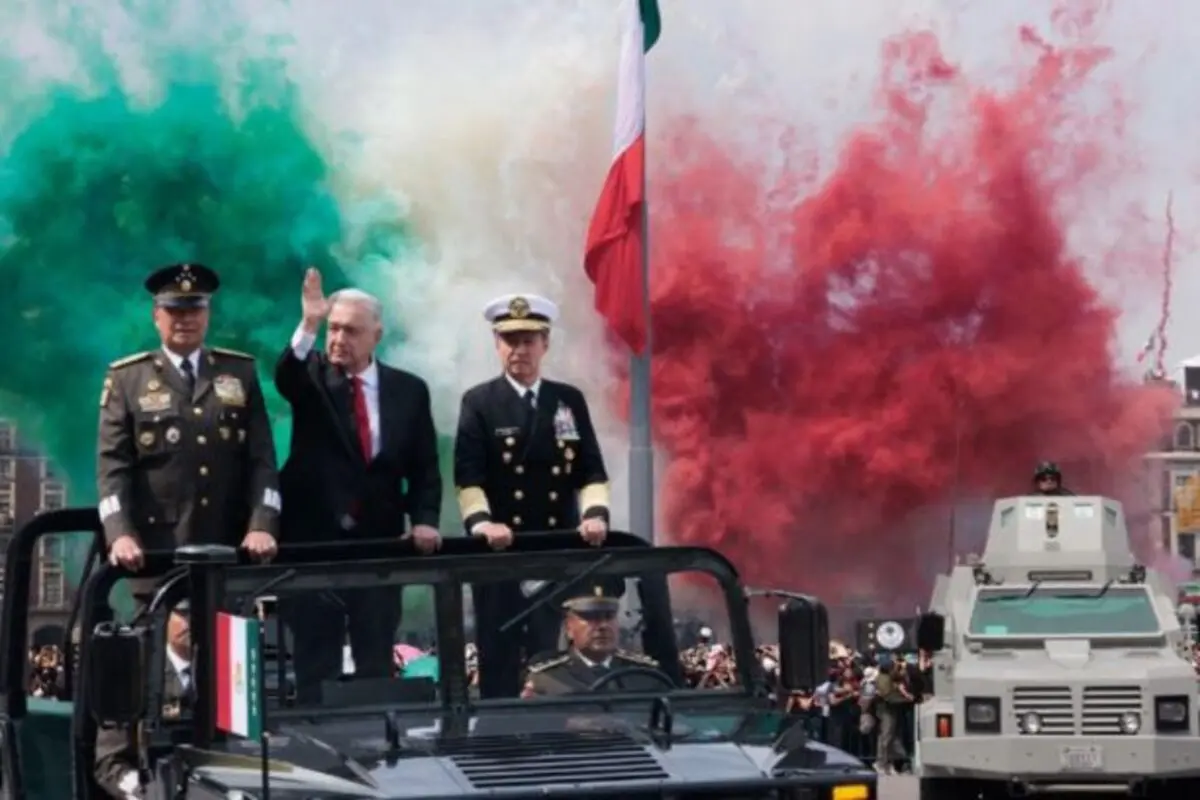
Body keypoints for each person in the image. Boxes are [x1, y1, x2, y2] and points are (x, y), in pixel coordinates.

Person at [275, 268, 442, 703]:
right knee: (316, 663)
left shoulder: (409, 390)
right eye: (333, 328)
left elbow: (424, 466)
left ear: (376, 335)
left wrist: (424, 520)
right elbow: (285, 378)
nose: (338, 340)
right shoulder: (312, 377)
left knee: (375, 664)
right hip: (315, 549)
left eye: (350, 331)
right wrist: (309, 323)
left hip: (379, 549)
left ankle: (380, 758)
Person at [453, 293, 611, 698]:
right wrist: (482, 524)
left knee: (553, 660)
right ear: (496, 344)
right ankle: (496, 745)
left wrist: (595, 515)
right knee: (498, 657)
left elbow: (591, 470)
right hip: (499, 557)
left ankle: (557, 740)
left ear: (545, 344)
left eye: (528, 340)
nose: (518, 350)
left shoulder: (567, 400)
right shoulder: (480, 402)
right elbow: (469, 479)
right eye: (510, 340)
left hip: (556, 551)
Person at [96, 263, 280, 583]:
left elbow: (263, 461)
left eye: (195, 309)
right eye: (175, 311)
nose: (186, 319)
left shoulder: (240, 372)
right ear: (156, 316)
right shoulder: (127, 379)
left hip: (231, 550)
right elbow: (112, 467)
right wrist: (119, 532)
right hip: (157, 554)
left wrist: (262, 524)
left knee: (232, 633)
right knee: (161, 634)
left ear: (207, 314)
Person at [95, 601, 192, 799]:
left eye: (197, 613)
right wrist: (141, 790)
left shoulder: (225, 671)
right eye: (183, 614)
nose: (190, 622)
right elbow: (110, 762)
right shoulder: (137, 677)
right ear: (165, 618)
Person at [521, 581, 662, 697]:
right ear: (569, 627)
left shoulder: (644, 675)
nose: (603, 626)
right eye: (591, 617)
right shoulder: (548, 679)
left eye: (609, 616)